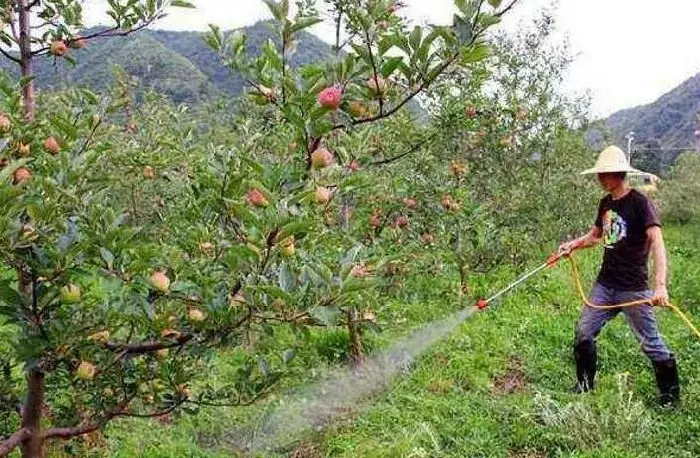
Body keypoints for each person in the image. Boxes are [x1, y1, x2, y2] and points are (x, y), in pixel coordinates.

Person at [556, 145, 680, 407]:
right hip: (605, 284)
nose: (600, 179)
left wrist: (659, 285)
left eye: (605, 174)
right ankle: (585, 384)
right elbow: (595, 237)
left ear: (618, 173)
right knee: (583, 333)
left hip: (633, 288)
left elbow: (657, 242)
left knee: (651, 343)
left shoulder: (640, 203)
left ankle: (670, 396)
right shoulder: (606, 203)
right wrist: (572, 245)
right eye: (599, 174)